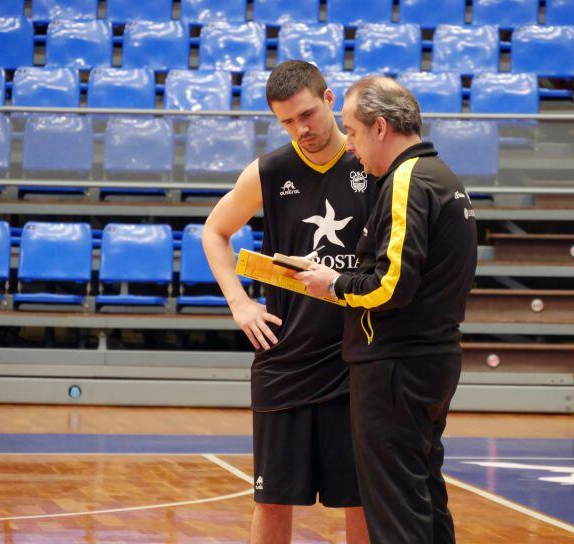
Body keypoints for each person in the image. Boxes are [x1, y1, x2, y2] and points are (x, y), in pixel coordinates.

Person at [297, 76, 478, 544]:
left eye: (352, 132)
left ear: (380, 127)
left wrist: (332, 282)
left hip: (396, 365)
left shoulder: (406, 181)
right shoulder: (446, 179)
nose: (351, 147)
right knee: (422, 497)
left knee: (396, 510)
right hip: (433, 359)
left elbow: (392, 285)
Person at [201, 61, 376, 544]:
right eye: (286, 122)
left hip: (355, 359)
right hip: (286, 358)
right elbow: (214, 232)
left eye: (306, 115)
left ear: (329, 99)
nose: (301, 130)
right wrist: (239, 304)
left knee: (359, 501)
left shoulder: (372, 164)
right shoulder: (270, 170)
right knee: (272, 499)